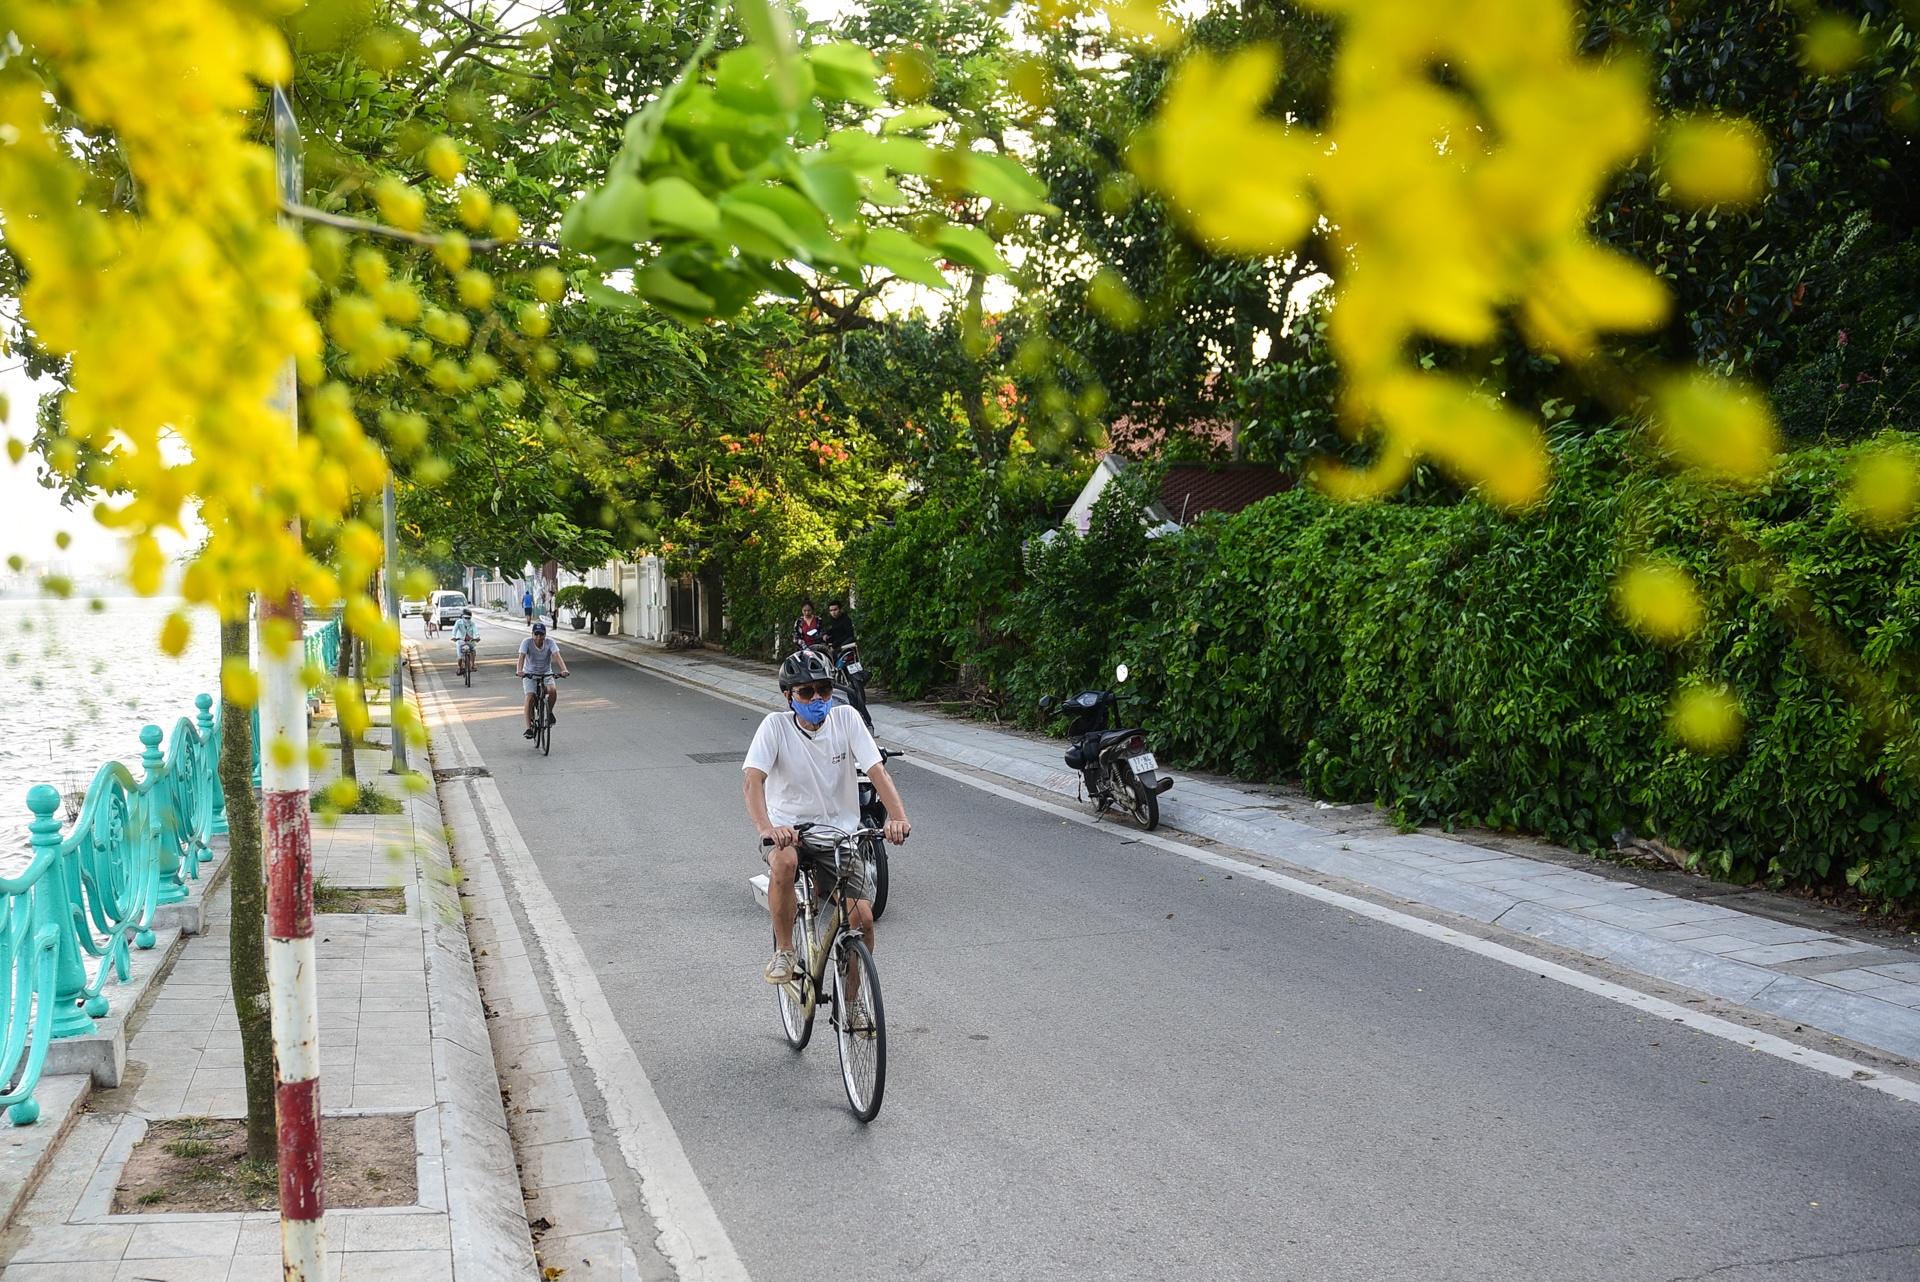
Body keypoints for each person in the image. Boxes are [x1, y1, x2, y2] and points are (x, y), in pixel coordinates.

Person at [743, 649, 910, 987]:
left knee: (863, 920)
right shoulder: (774, 727)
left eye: (824, 689)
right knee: (785, 864)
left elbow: (876, 771)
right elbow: (752, 782)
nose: (817, 698)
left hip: (839, 835)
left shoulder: (847, 719)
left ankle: (853, 1009)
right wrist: (768, 829)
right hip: (790, 832)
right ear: (789, 696)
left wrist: (898, 817)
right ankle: (785, 950)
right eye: (807, 692)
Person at [515, 620, 569, 737]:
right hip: (529, 673)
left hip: (546, 672)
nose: (539, 637)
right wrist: (520, 671)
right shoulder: (526, 642)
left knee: (552, 690)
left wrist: (564, 670)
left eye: (541, 635)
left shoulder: (550, 642)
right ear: (532, 634)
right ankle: (529, 728)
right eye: (536, 634)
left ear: (545, 635)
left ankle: (549, 712)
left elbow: (557, 656)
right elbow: (521, 657)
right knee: (530, 697)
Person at [450, 609, 480, 676]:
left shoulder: (472, 624)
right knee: (460, 655)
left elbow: (476, 631)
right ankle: (459, 667)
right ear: (462, 617)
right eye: (466, 618)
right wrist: (453, 637)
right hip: (460, 641)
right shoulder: (458, 622)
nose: (467, 619)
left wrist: (477, 637)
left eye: (469, 618)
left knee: (473, 651)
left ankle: (472, 665)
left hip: (470, 641)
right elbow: (454, 630)